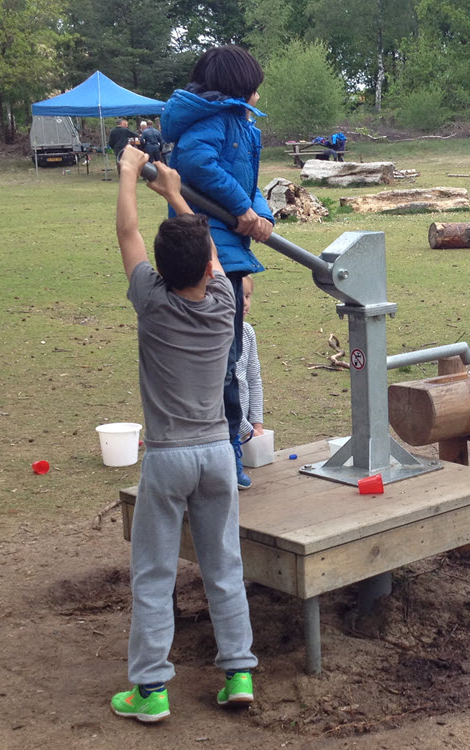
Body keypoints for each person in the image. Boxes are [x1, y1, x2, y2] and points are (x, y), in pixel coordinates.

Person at [110, 146, 257, 723]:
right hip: (219, 455)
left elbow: (127, 233)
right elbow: (212, 254)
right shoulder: (224, 301)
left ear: (160, 272)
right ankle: (239, 673)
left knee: (154, 572)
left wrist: (127, 173)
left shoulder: (151, 301)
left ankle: (150, 691)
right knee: (224, 565)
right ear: (204, 268)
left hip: (169, 457)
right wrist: (174, 192)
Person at [161, 44, 275, 490]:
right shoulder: (215, 122)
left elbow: (247, 181)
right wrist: (242, 206)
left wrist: (259, 212)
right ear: (237, 89)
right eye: (254, 89)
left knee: (228, 357)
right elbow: (194, 164)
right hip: (212, 251)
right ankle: (223, 452)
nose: (259, 98)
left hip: (234, 245)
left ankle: (227, 447)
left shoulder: (241, 125)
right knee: (221, 360)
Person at [236, 275, 264, 440]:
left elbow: (253, 379)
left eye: (247, 296)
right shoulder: (216, 335)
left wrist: (256, 422)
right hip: (221, 428)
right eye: (239, 296)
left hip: (244, 428)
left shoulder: (247, 332)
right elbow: (223, 391)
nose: (245, 302)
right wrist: (246, 429)